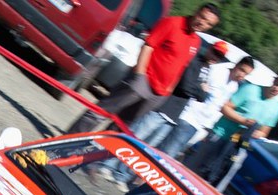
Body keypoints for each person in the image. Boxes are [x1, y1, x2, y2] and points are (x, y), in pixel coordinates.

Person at [68, 4, 220, 133]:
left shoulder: (196, 41)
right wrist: (140, 75)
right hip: (143, 81)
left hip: (158, 94)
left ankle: (89, 157)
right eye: (202, 17)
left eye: (207, 23)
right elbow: (148, 46)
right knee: (102, 112)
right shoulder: (172, 23)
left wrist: (167, 91)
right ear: (196, 12)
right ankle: (64, 143)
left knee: (122, 127)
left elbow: (181, 67)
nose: (202, 23)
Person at [182, 72, 278, 183]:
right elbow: (225, 108)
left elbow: (264, 132)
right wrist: (243, 121)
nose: (277, 89)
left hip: (234, 148)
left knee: (209, 180)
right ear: (273, 80)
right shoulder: (251, 89)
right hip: (220, 134)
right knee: (191, 169)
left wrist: (253, 132)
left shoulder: (277, 109)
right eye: (277, 85)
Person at [128, 41, 232, 151]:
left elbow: (202, 97)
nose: (215, 57)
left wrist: (199, 90)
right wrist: (200, 89)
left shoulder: (207, 70)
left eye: (219, 56)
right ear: (210, 49)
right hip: (163, 106)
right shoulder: (194, 60)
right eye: (215, 52)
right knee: (134, 138)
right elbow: (185, 86)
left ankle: (122, 168)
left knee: (146, 150)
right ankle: (110, 162)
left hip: (175, 115)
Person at [158, 56, 255, 159]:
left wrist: (207, 128)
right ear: (236, 65)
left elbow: (219, 105)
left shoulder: (234, 86)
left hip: (202, 125)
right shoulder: (218, 71)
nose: (242, 75)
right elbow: (197, 84)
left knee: (171, 152)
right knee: (167, 154)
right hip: (189, 117)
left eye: (246, 74)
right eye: (241, 70)